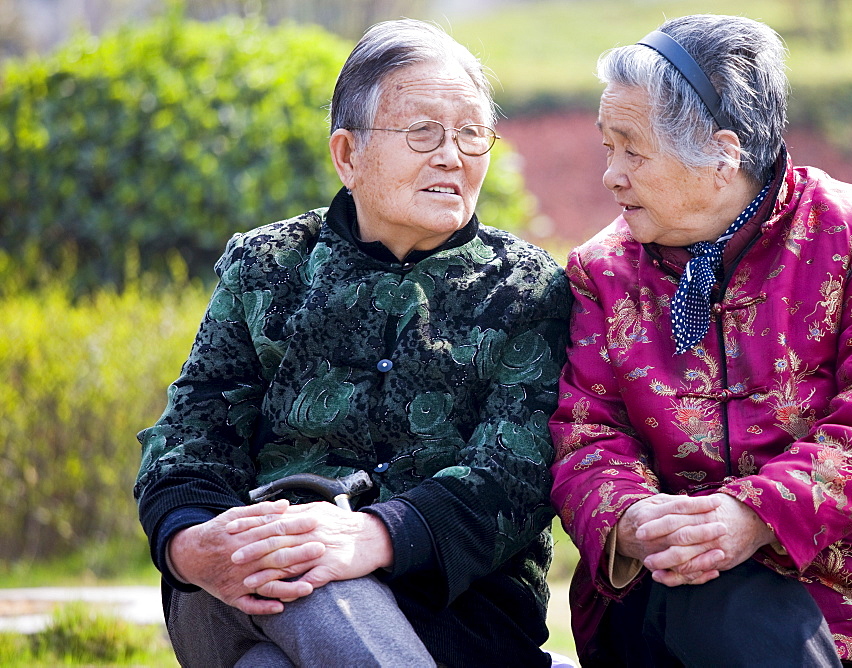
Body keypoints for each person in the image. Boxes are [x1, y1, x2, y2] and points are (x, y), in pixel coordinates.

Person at [549, 13, 852, 667]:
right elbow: (587, 434)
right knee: (714, 593)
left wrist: (754, 515)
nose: (611, 175)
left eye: (631, 150)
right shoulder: (601, 272)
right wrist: (638, 523)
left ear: (724, 153)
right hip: (671, 586)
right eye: (606, 147)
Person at [134, 19, 571, 667]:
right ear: (348, 155)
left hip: (457, 617)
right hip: (242, 585)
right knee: (299, 561)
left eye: (472, 133)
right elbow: (191, 436)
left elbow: (516, 477)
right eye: (423, 132)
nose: (452, 155)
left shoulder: (527, 290)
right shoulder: (267, 266)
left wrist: (376, 535)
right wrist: (189, 544)